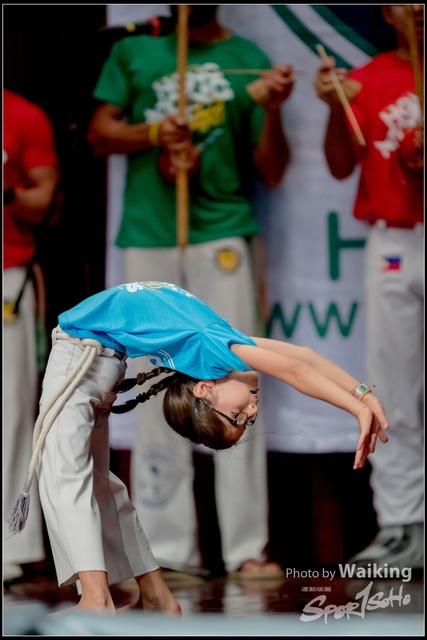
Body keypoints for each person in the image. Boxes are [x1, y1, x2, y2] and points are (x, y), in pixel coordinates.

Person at [7, 280, 389, 613]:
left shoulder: (213, 348)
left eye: (238, 418)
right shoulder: (219, 342)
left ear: (205, 391)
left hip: (83, 354)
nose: (252, 411)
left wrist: (359, 400)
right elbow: (300, 361)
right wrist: (361, 398)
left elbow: (299, 366)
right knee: (96, 484)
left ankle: (96, 599)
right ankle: (155, 596)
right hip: (96, 359)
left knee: (65, 476)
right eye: (245, 420)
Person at [86, 5, 293, 577]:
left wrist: (271, 113)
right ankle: (169, 550)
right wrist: (155, 133)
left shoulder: (246, 60)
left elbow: (272, 169)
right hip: (152, 236)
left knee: (235, 381)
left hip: (220, 231)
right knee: (156, 386)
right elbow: (100, 133)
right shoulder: (136, 51)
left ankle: (247, 547)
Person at [313, 4, 424, 571]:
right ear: (388, 11)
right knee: (394, 389)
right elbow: (337, 165)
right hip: (395, 243)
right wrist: (337, 108)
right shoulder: (366, 78)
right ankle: (404, 523)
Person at [3, 88, 60, 582]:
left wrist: (5, 189)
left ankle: (9, 546)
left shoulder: (22, 114)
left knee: (11, 411)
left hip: (7, 272)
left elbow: (43, 201)